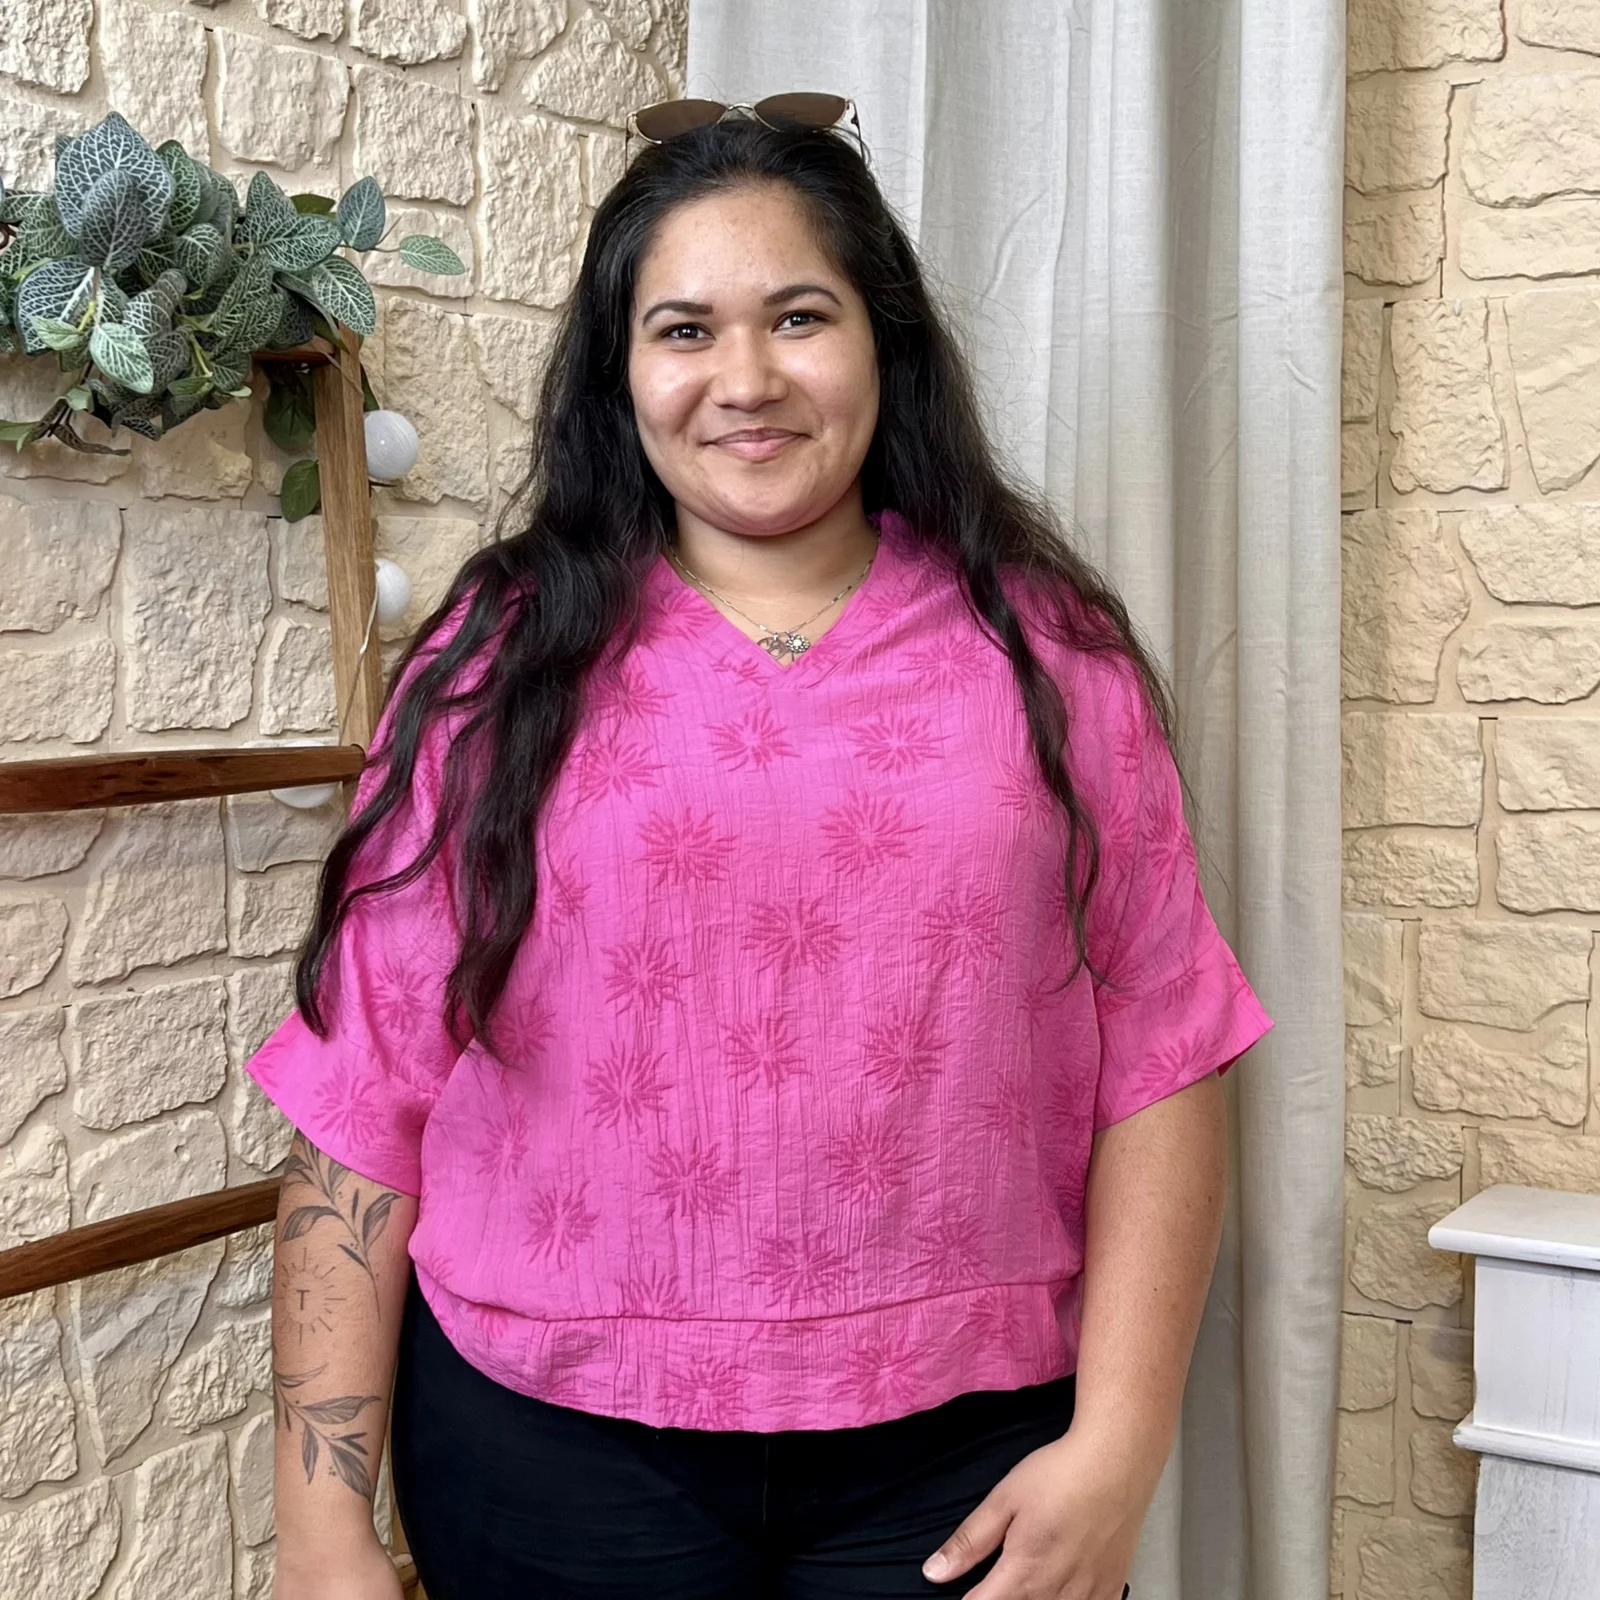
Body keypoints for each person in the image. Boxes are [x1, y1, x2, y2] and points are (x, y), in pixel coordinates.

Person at [251, 96, 1273, 1600]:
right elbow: (362, 1089)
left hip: (963, 1452)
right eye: (684, 331)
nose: (746, 380)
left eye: (800, 316)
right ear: (619, 373)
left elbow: (1166, 1049)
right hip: (550, 1449)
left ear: (883, 343)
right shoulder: (499, 659)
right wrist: (321, 1530)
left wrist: (1121, 1446)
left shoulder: (1051, 655)